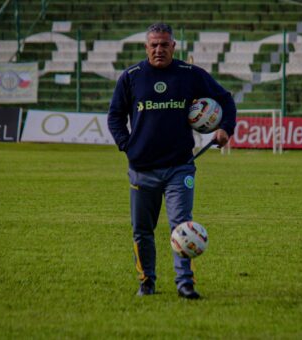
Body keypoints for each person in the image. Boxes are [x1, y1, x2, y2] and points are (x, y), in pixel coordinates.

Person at [108, 23, 236, 299]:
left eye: (164, 44)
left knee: (182, 225)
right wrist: (127, 145)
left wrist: (225, 127)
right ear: (146, 47)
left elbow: (225, 98)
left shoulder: (189, 75)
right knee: (142, 230)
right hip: (142, 169)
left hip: (180, 166)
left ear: (173, 46)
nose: (159, 49)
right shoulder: (131, 77)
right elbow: (115, 115)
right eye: (153, 44)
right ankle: (147, 281)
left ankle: (185, 283)